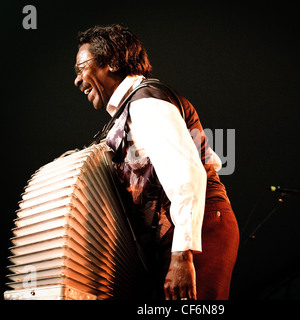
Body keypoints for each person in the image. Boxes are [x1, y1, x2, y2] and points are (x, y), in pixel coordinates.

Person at [73, 24, 239, 300]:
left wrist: (182, 257)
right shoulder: (137, 105)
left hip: (197, 227)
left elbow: (187, 174)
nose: (77, 80)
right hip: (186, 227)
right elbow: (203, 161)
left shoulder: (146, 103)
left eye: (82, 68)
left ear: (113, 62)